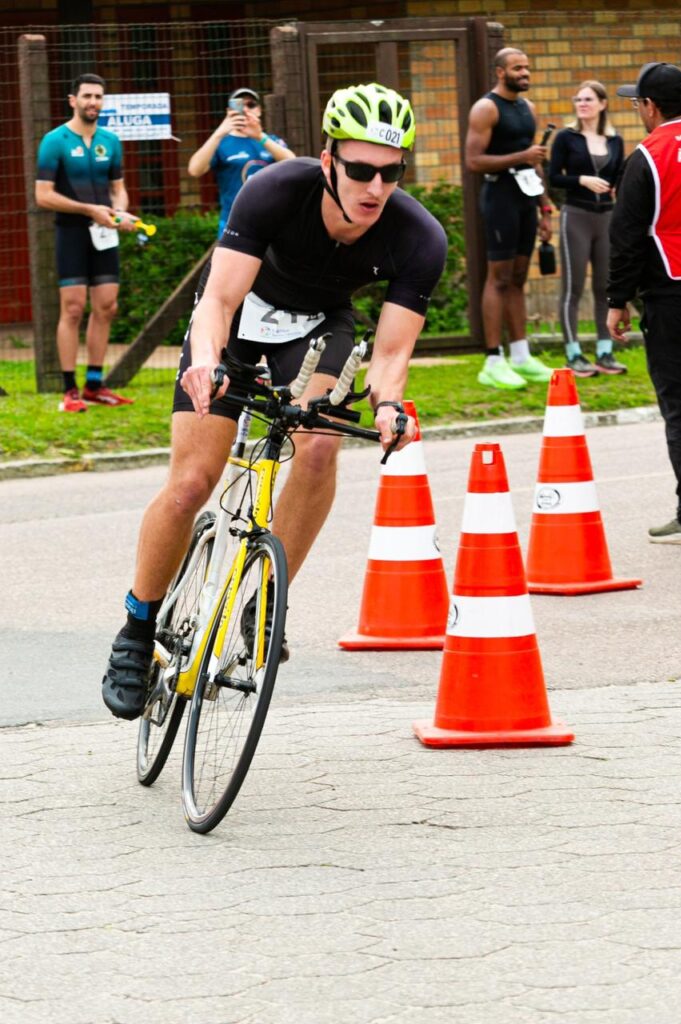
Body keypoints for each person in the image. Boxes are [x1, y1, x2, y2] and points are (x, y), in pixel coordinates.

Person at [101, 82, 448, 720]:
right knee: (192, 482)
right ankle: (136, 629)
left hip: (318, 328)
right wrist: (205, 361)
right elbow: (219, 301)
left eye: (391, 172)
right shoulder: (274, 190)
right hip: (237, 321)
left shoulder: (418, 237)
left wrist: (388, 407)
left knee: (319, 448)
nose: (375, 187)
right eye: (361, 170)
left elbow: (393, 353)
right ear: (328, 161)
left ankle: (264, 596)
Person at [607, 62, 681, 543]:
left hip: (671, 293)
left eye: (638, 103)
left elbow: (627, 237)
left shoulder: (648, 156)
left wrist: (618, 300)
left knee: (679, 405)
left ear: (651, 107)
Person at [35, 73, 137, 413]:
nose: (93, 102)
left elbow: (118, 187)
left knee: (107, 306)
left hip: (105, 233)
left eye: (98, 97)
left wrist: (118, 211)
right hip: (72, 233)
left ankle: (95, 384)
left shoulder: (111, 140)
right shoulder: (55, 141)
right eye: (87, 96)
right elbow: (43, 195)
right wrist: (89, 210)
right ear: (72, 100)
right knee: (74, 308)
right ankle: (70, 390)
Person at [465, 47, 554, 390]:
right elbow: (474, 161)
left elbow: (535, 163)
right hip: (498, 196)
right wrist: (522, 155)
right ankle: (493, 359)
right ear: (500, 72)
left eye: (527, 68)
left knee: (518, 276)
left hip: (525, 196)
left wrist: (544, 207)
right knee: (498, 277)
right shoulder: (486, 108)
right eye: (518, 68)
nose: (525, 74)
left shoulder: (528, 108)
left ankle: (521, 355)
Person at [549, 80, 626, 378]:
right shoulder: (567, 138)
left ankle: (605, 352)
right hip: (576, 215)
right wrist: (581, 180)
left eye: (588, 99)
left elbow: (620, 174)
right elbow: (554, 177)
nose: (581, 104)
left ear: (602, 104)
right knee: (574, 286)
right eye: (578, 99)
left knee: (604, 288)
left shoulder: (614, 140)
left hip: (606, 217)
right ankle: (573, 354)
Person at [188, 87, 296, 238]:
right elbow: (194, 170)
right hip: (234, 224)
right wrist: (219, 132)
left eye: (251, 105)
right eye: (238, 105)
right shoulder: (222, 143)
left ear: (258, 110)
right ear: (229, 112)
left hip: (271, 222)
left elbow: (293, 164)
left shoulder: (270, 140)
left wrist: (260, 136)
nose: (245, 109)